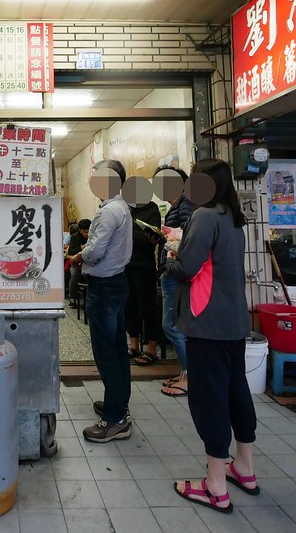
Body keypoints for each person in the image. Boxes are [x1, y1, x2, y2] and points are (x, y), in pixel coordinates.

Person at [165, 158, 256, 514]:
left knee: (209, 399)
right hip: (233, 323)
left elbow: (188, 268)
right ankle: (244, 468)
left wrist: (170, 258)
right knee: (236, 392)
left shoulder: (203, 216)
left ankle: (216, 485)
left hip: (207, 323)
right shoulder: (234, 219)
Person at [70, 160, 133, 442]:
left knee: (107, 353)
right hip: (117, 283)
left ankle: (115, 419)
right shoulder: (121, 208)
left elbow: (95, 252)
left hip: (105, 287)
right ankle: (118, 404)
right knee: (118, 349)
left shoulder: (109, 211)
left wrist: (79, 255)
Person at [158, 166, 197, 396]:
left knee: (172, 326)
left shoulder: (185, 206)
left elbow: (184, 238)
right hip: (170, 271)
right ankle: (185, 372)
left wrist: (168, 239)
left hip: (176, 273)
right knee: (172, 325)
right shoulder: (176, 206)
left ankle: (190, 376)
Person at [126, 197, 162, 365]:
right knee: (130, 306)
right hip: (126, 265)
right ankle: (134, 346)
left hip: (144, 266)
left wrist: (128, 230)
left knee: (147, 307)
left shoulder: (152, 210)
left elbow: (151, 240)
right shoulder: (126, 208)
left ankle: (151, 349)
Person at [66, 219, 90, 307]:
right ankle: (72, 297)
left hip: (90, 262)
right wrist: (81, 247)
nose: (87, 234)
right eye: (85, 232)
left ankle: (89, 298)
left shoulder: (94, 236)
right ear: (80, 230)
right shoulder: (75, 237)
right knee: (75, 273)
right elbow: (70, 252)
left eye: (88, 231)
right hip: (77, 262)